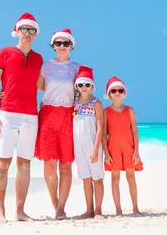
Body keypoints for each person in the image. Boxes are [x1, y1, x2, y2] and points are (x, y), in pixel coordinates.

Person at [0, 12, 44, 224]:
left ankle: (20, 211)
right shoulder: (4, 53)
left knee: (25, 165)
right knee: (3, 163)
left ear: (36, 34)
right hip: (7, 115)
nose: (27, 34)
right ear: (17, 31)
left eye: (32, 31)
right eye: (24, 30)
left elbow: (42, 85)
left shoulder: (39, 59)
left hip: (31, 116)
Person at [34, 28, 79, 220]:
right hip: (48, 115)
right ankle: (55, 205)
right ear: (53, 46)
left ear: (71, 46)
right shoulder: (45, 66)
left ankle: (62, 207)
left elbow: (84, 91)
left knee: (66, 165)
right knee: (49, 164)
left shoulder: (78, 68)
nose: (62, 46)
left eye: (65, 43)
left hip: (69, 115)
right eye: (58, 43)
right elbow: (39, 86)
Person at [102, 76, 144, 217]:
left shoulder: (130, 110)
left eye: (120, 90)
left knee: (131, 177)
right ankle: (118, 210)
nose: (117, 93)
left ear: (124, 92)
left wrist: (136, 151)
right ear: (109, 94)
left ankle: (135, 208)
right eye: (114, 91)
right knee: (115, 178)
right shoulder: (105, 111)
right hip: (113, 147)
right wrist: (106, 153)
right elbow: (103, 134)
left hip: (128, 147)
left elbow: (134, 131)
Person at [72, 65, 105, 219]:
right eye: (80, 84)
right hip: (79, 146)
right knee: (85, 178)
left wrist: (95, 149)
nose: (84, 87)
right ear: (76, 86)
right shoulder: (75, 102)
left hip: (93, 146)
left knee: (97, 177)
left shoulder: (96, 103)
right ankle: (89, 210)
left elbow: (100, 128)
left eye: (87, 84)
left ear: (92, 86)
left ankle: (98, 210)